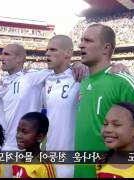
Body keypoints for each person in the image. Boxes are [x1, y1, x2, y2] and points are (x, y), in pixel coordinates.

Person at [75, 24, 134, 178]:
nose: (80, 44)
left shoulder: (124, 82)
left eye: (88, 40)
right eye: (81, 40)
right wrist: (75, 64)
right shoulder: (83, 80)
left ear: (106, 48)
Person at [0, 44, 86, 151]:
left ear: (19, 58)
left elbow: (61, 68)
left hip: (22, 147)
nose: (1, 58)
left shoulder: (32, 78)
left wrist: (76, 64)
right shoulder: (2, 83)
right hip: (2, 145)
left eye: (6, 54)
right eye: (1, 54)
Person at [43, 35, 80, 178]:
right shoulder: (46, 79)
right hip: (49, 156)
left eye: (53, 49)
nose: (47, 53)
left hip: (70, 159)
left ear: (68, 53)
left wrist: (118, 66)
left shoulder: (81, 76)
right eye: (47, 50)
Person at [13, 112, 56, 178]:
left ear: (40, 137)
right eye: (18, 131)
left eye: (24, 132)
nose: (18, 136)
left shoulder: (45, 165)